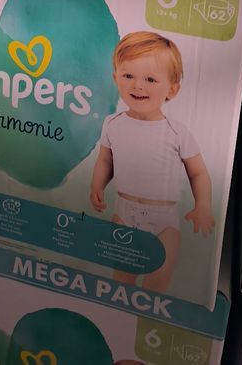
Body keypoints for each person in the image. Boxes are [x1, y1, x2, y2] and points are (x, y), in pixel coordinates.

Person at [90, 31, 214, 292]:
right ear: (115, 78)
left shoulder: (176, 132)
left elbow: (198, 173)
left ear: (172, 89)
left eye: (150, 79)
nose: (138, 86)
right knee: (123, 277)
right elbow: (105, 160)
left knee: (158, 278)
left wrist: (202, 205)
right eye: (128, 76)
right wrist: (97, 186)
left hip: (164, 220)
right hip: (124, 213)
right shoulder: (112, 124)